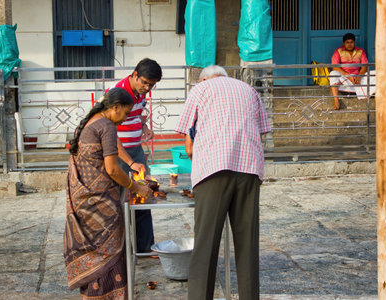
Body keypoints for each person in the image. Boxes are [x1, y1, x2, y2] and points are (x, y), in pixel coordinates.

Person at [175, 65, 271, 300]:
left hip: (212, 170)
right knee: (247, 244)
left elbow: (187, 140)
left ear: (204, 78)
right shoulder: (249, 90)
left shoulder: (201, 89)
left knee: (206, 244)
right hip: (248, 169)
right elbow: (261, 133)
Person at [63, 88, 153, 299]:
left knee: (94, 250)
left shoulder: (92, 120)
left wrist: (131, 164)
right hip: (99, 199)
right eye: (124, 113)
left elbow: (110, 152)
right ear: (115, 108)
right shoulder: (107, 126)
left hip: (84, 198)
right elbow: (112, 169)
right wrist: (136, 186)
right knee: (107, 248)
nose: (124, 120)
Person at [111, 58, 162, 253]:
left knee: (143, 196)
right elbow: (110, 134)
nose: (147, 88)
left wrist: (145, 127)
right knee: (120, 202)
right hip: (119, 156)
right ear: (134, 75)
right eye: (145, 83)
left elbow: (139, 116)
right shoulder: (118, 94)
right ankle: (119, 250)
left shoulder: (141, 94)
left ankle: (145, 247)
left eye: (152, 85)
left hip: (136, 151)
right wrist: (130, 162)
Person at [330, 32, 376, 110]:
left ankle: (376, 96)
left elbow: (364, 67)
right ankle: (336, 101)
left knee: (376, 73)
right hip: (344, 77)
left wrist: (359, 75)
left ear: (354, 42)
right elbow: (335, 67)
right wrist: (348, 75)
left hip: (357, 78)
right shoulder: (338, 51)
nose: (349, 44)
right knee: (333, 74)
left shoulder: (360, 51)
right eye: (347, 42)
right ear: (344, 43)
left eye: (351, 42)